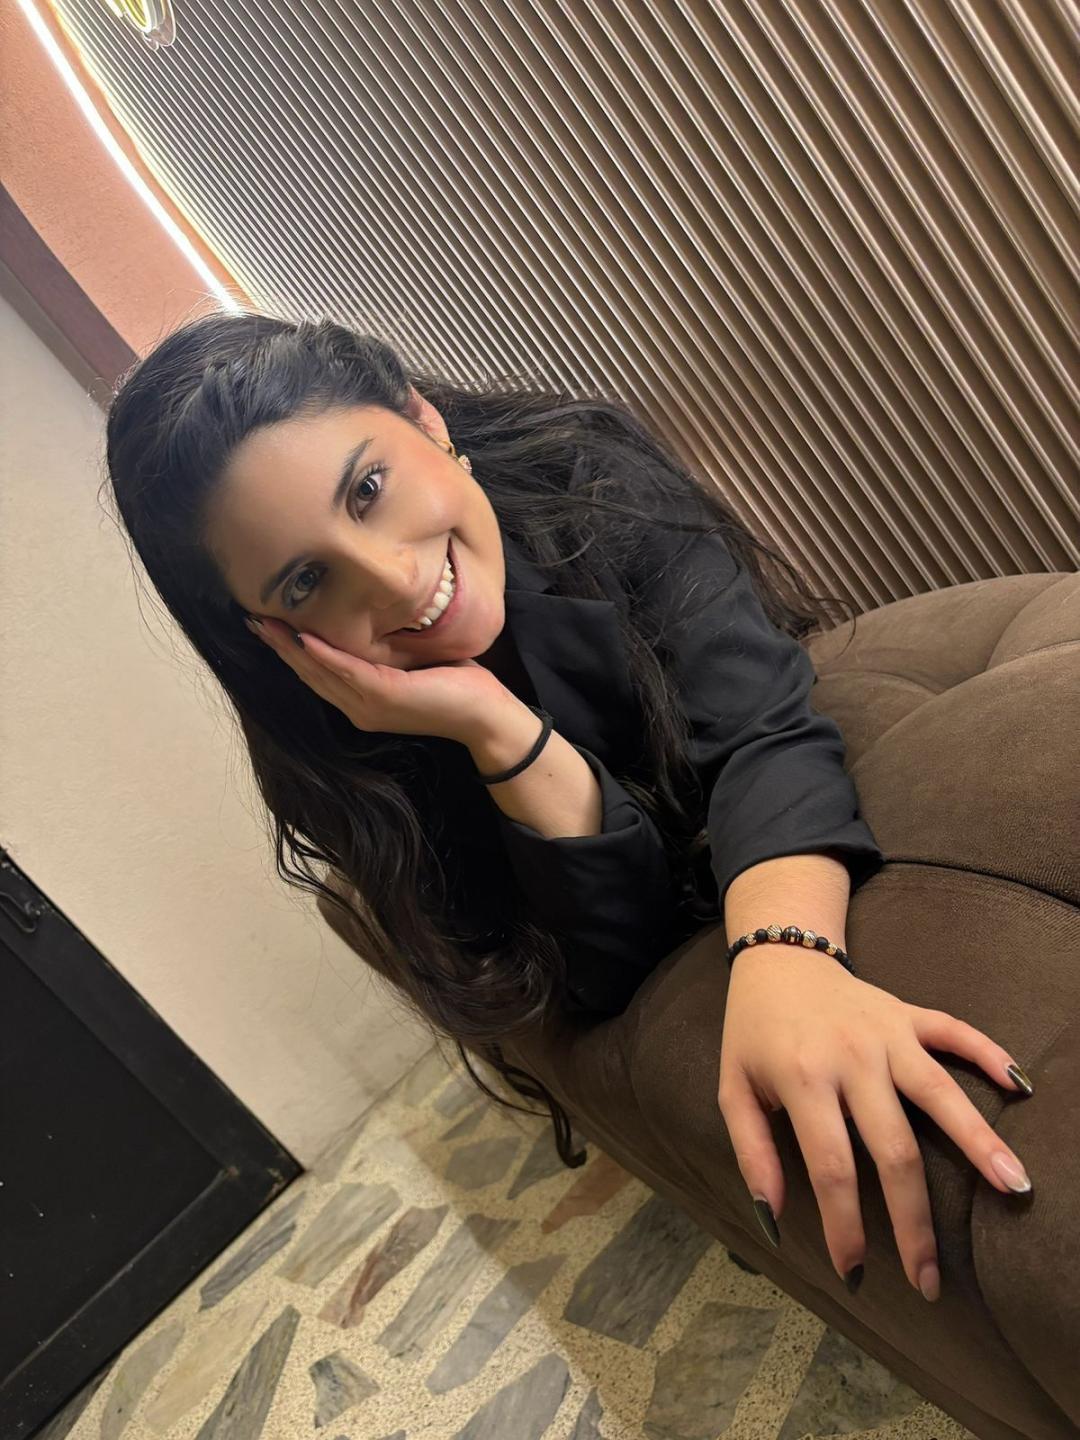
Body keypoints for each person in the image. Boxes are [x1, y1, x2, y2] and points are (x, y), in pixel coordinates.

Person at [103, 309, 1034, 1308]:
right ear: (268, 633)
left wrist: (786, 954)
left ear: (423, 420)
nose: (397, 583)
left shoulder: (584, 474)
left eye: (368, 490)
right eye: (306, 579)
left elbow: (759, 724)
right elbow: (601, 970)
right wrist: (502, 737)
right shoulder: (337, 751)